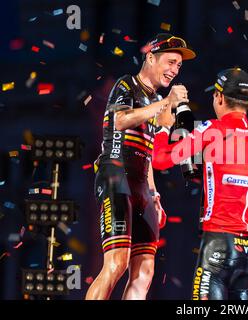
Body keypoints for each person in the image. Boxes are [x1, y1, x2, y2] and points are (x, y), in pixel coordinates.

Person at [152, 68, 248, 300]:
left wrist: (163, 127)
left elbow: (160, 159)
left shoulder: (211, 129)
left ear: (219, 97)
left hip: (218, 243)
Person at [86, 33, 196, 300]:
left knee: (145, 271)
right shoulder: (127, 84)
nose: (174, 70)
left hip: (141, 188)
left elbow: (148, 154)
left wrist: (155, 195)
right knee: (116, 263)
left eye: (179, 66)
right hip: (115, 178)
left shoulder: (156, 101)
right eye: (170, 62)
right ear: (150, 57)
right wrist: (165, 103)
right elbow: (121, 121)